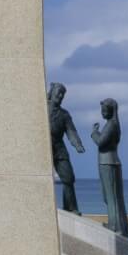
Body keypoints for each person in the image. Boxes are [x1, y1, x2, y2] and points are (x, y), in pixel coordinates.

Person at [93, 98, 128, 235]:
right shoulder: (112, 125)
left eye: (104, 110)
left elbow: (100, 142)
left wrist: (94, 132)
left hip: (108, 163)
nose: (102, 113)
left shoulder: (111, 125)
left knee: (111, 197)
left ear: (111, 111)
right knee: (111, 196)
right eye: (101, 110)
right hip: (109, 162)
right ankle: (117, 225)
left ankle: (115, 226)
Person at [47, 83, 85, 214]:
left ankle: (70, 207)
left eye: (62, 94)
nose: (60, 96)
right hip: (43, 148)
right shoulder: (42, 108)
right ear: (52, 93)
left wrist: (77, 144)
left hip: (59, 149)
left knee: (68, 177)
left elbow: (71, 131)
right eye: (58, 92)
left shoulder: (64, 114)